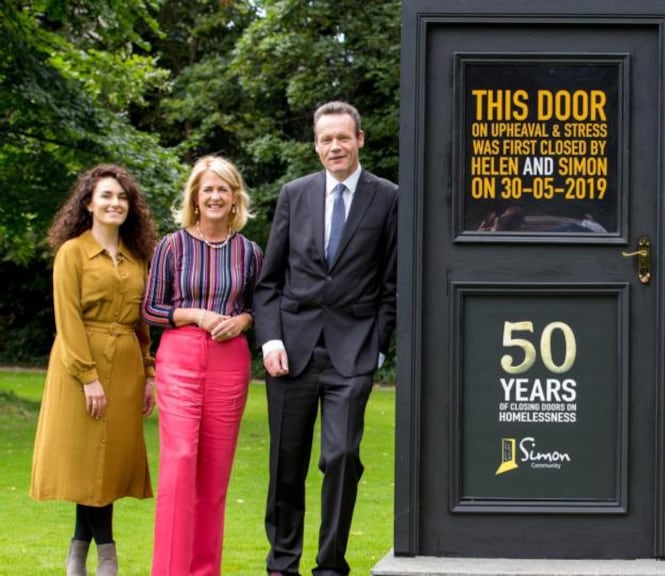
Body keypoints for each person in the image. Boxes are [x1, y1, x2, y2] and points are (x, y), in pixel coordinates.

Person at [254, 100, 398, 576]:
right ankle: (282, 564)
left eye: (342, 137)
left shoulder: (389, 198)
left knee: (341, 456)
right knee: (286, 463)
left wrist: (377, 345)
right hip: (290, 352)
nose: (334, 146)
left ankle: (331, 564)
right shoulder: (294, 194)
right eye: (325, 139)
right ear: (315, 145)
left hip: (352, 352)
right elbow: (269, 281)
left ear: (359, 139)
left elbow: (392, 284)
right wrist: (270, 340)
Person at [30, 164, 159, 576]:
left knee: (107, 466)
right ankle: (107, 555)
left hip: (125, 368)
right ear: (88, 203)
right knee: (88, 462)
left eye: (122, 197)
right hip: (77, 364)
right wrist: (87, 377)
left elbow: (142, 322)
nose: (115, 203)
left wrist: (149, 373)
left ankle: (77, 553)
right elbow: (67, 319)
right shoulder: (72, 252)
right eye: (106, 196)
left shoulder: (138, 258)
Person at [142, 156, 264, 575]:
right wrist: (195, 315)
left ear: (235, 198)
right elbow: (152, 308)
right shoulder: (171, 246)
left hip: (230, 361)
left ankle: (205, 570)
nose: (215, 196)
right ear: (195, 196)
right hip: (179, 357)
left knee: (214, 473)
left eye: (223, 189)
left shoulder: (249, 251)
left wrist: (244, 320)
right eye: (207, 189)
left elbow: (257, 306)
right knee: (179, 463)